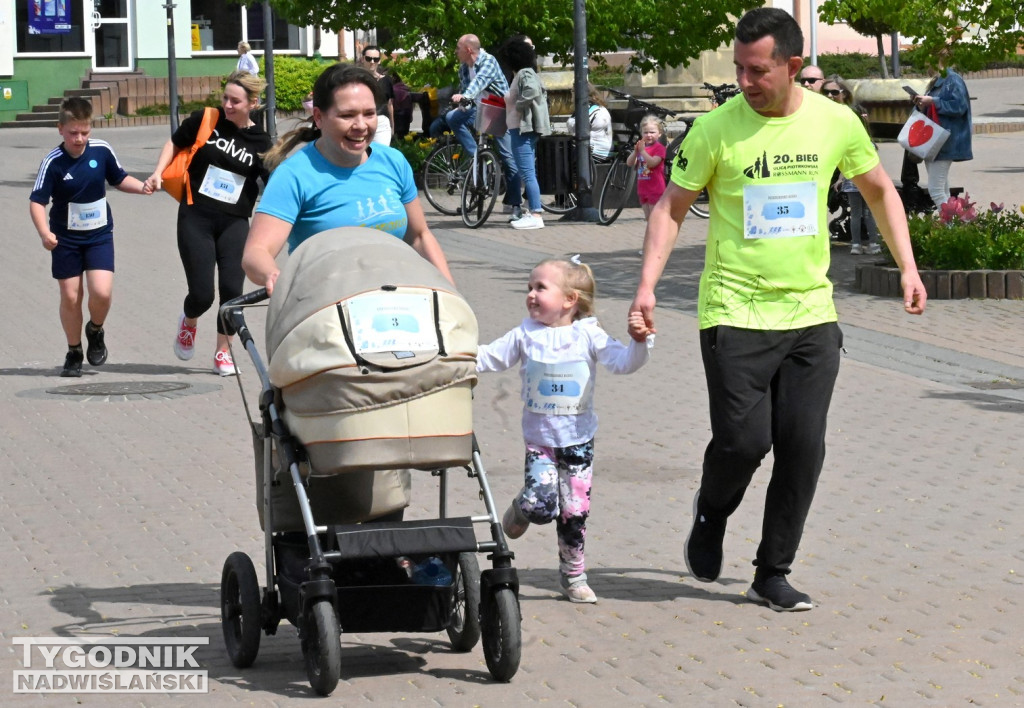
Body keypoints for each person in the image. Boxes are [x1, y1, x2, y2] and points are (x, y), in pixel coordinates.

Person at [630, 7, 927, 612]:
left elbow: (878, 190)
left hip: (811, 313)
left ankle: (772, 570)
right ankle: (712, 513)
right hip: (734, 309)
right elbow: (671, 208)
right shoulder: (715, 130)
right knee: (743, 443)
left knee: (803, 445)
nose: (744, 81)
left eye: (757, 70)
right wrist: (645, 287)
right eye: (738, 69)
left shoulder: (835, 122)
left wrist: (908, 266)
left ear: (793, 66)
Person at [476, 257, 653, 604]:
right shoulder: (525, 333)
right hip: (540, 442)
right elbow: (489, 357)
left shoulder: (589, 333)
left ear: (570, 300)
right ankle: (521, 508)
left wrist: (639, 342)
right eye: (529, 286)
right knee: (542, 504)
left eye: (540, 287)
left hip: (578, 443)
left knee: (574, 515)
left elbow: (623, 362)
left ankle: (573, 576)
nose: (531, 294)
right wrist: (452, 356)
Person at [242, 63, 453, 294]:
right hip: (327, 310)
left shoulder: (393, 162)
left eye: (369, 114)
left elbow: (420, 237)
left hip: (396, 307)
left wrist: (451, 294)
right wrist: (273, 275)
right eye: (347, 115)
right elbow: (256, 253)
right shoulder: (294, 174)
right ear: (319, 117)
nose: (361, 125)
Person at [145, 71, 271, 376]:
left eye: (235, 101)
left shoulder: (262, 141)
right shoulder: (207, 119)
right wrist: (157, 173)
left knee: (232, 292)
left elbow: (273, 185)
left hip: (235, 222)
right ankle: (189, 322)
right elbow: (173, 144)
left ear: (252, 103)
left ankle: (222, 353)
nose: (227, 104)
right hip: (196, 215)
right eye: (225, 98)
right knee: (202, 294)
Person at [30, 97, 153, 377]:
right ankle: (74, 351)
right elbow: (37, 201)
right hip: (65, 240)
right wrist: (44, 233)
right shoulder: (53, 162)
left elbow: (119, 178)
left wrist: (143, 187)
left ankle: (95, 330)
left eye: (85, 132)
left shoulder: (101, 151)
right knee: (71, 296)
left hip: (99, 235)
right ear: (60, 129)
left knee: (101, 292)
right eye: (73, 133)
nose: (80, 138)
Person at [444, 34, 520, 214]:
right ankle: (476, 155)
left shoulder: (488, 61)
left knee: (508, 157)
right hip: (479, 108)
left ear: (468, 49)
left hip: (500, 109)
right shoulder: (463, 67)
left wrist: (465, 97)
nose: (456, 52)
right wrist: (461, 102)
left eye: (458, 48)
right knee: (451, 118)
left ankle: (515, 203)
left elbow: (477, 84)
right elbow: (465, 90)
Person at [823, 76, 881, 255]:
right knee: (866, 212)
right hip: (858, 178)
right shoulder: (866, 139)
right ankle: (872, 244)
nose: (830, 96)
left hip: (852, 179)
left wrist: (841, 177)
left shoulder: (849, 116)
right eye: (826, 93)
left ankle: (858, 244)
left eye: (834, 92)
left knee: (859, 213)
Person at [502, 38, 551, 230]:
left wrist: (518, 105)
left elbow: (532, 91)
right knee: (528, 172)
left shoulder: (523, 74)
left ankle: (536, 213)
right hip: (520, 130)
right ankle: (534, 211)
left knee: (528, 173)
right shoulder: (523, 73)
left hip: (523, 130)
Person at [912, 59, 973, 209]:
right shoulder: (939, 81)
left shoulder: (953, 80)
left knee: (936, 190)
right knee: (943, 189)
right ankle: (951, 227)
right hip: (933, 142)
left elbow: (959, 106)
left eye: (927, 61)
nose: (925, 65)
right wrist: (923, 103)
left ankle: (950, 227)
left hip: (944, 141)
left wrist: (933, 101)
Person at [627, 114, 667, 221]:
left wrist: (642, 152)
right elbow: (630, 163)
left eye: (652, 132)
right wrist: (635, 152)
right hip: (643, 189)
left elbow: (653, 163)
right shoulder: (642, 148)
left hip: (655, 189)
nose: (649, 135)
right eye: (646, 132)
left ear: (659, 134)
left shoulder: (659, 148)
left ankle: (657, 237)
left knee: (655, 219)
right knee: (648, 219)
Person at [565, 83, 613, 161]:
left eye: (572, 91)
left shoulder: (596, 110)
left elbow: (581, 128)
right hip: (587, 147)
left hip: (597, 150)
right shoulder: (584, 108)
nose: (571, 93)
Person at [360, 45, 395, 146]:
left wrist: (393, 126)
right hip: (362, 122)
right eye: (368, 58)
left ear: (379, 61)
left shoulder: (386, 80)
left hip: (381, 122)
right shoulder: (356, 80)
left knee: (381, 154)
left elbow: (389, 104)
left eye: (375, 59)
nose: (372, 62)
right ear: (363, 59)